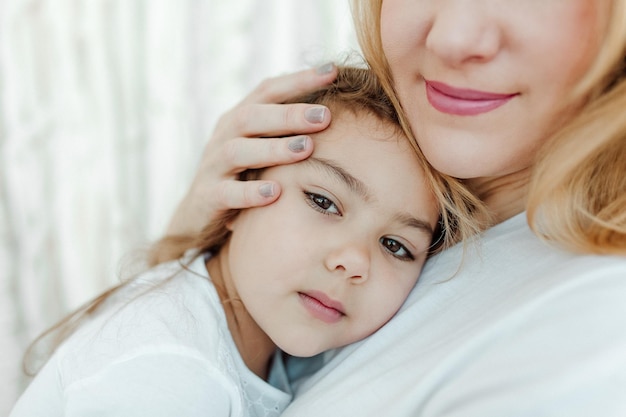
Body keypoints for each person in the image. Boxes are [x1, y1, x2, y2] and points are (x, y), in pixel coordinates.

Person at [163, 1, 626, 416]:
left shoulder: (594, 335)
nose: (451, 38)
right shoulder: (371, 150)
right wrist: (192, 256)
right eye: (323, 201)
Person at [10, 66, 475, 416]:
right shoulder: (169, 377)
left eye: (395, 245)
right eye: (322, 201)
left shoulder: (280, 349)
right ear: (235, 194)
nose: (354, 261)